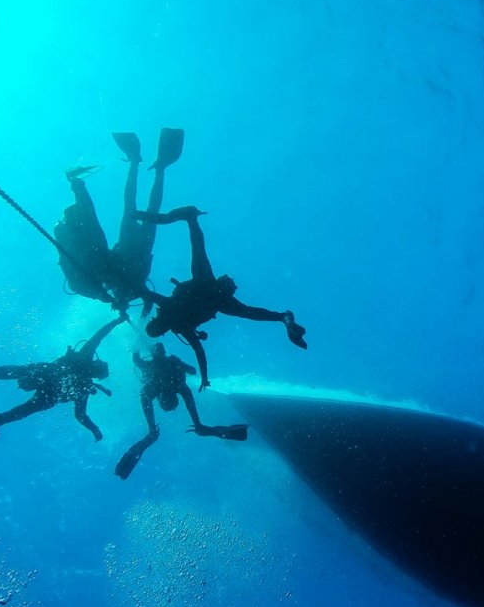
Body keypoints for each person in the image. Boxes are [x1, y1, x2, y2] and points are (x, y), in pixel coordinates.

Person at [136, 205, 307, 391]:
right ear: (156, 321)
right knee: (199, 252)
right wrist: (204, 376)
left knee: (247, 311)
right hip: (209, 289)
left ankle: (282, 317)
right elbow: (145, 292)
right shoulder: (172, 314)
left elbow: (199, 350)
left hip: (213, 296)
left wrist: (205, 377)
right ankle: (191, 219)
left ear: (162, 330)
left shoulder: (180, 325)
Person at [54, 127, 185, 312]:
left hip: (131, 244)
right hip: (138, 245)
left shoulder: (105, 286)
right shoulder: (130, 289)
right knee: (142, 206)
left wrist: (112, 298)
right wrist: (138, 304)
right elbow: (147, 296)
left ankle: (141, 164)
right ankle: (150, 167)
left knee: (137, 205)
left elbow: (145, 295)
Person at [0, 315, 126, 443]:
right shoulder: (84, 370)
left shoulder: (84, 382)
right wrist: (95, 430)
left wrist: (95, 430)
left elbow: (80, 415)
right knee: (24, 392)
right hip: (50, 385)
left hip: (49, 382)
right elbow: (99, 336)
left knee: (18, 376)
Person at [114, 342, 248, 480]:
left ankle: (140, 340)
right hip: (166, 364)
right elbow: (191, 382)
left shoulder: (162, 388)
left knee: (143, 355)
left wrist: (152, 430)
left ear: (160, 398)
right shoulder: (177, 386)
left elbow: (189, 390)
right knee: (144, 354)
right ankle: (140, 340)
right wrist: (198, 425)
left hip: (163, 364)